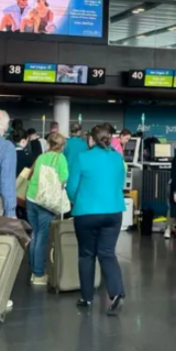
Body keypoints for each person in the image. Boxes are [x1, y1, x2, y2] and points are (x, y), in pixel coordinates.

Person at [66, 125, 126, 314]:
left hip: (87, 213)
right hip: (114, 211)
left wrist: (80, 201)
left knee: (86, 255)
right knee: (107, 253)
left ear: (91, 139)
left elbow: (71, 187)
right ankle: (116, 293)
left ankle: (86, 298)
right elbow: (120, 183)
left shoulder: (83, 158)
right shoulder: (117, 158)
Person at [26, 132, 68, 285]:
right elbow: (64, 178)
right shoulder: (60, 158)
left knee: (35, 235)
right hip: (45, 202)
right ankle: (38, 274)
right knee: (42, 237)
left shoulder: (41, 157)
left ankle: (33, 270)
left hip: (31, 197)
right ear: (62, 146)